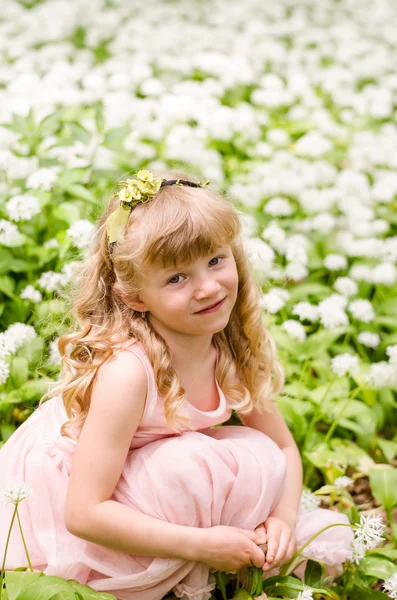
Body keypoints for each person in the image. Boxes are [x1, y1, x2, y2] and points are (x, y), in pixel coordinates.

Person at [0, 169, 353, 600]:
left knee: (254, 453)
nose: (207, 288)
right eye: (176, 278)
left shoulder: (228, 347)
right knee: (185, 463)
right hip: (68, 501)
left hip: (147, 487)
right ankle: (188, 565)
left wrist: (281, 518)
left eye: (215, 260)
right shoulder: (129, 371)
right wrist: (200, 544)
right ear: (134, 297)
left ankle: (219, 559)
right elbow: (83, 512)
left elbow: (281, 447)